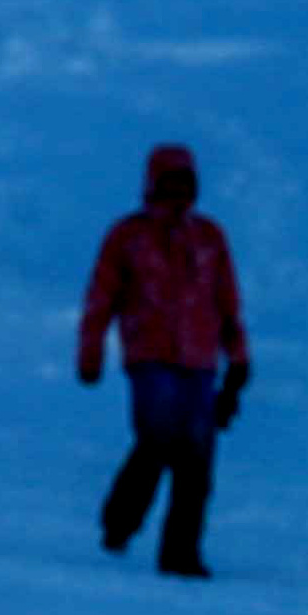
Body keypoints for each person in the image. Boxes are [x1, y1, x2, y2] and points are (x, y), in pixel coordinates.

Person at [76, 143, 248, 580]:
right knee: (158, 438)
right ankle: (121, 519)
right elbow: (101, 297)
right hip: (150, 354)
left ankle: (181, 552)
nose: (177, 191)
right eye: (169, 181)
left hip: (199, 359)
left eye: (184, 182)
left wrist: (239, 363)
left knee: (197, 457)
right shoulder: (129, 236)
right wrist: (91, 351)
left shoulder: (208, 237)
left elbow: (227, 302)